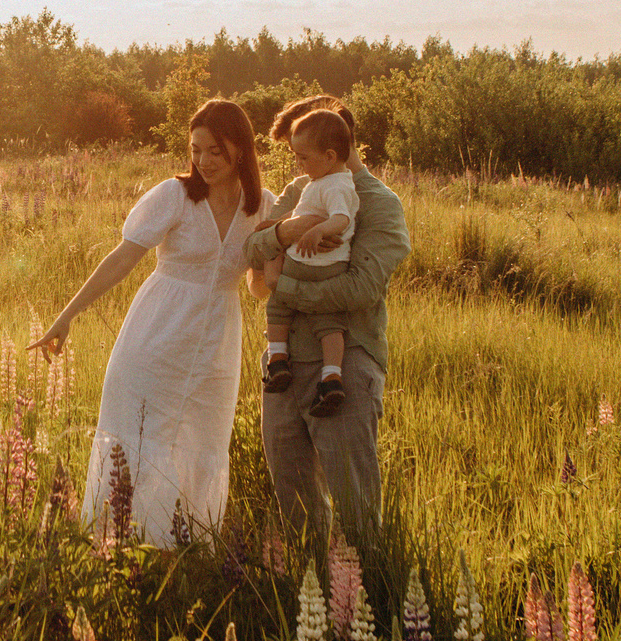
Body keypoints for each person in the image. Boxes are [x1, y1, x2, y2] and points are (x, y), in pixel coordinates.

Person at [35, 99, 269, 548]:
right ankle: (117, 544)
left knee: (201, 441)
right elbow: (122, 259)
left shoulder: (262, 207)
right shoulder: (175, 195)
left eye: (214, 151)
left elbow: (259, 288)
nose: (202, 161)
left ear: (240, 149)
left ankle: (183, 549)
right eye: (195, 150)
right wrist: (66, 316)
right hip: (156, 334)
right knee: (139, 438)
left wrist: (284, 247)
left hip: (217, 344)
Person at [244, 95, 409, 545]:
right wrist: (285, 232)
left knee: (355, 511)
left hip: (345, 363)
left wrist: (285, 286)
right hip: (283, 365)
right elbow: (253, 253)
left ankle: (367, 596)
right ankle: (307, 592)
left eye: (305, 150)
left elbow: (359, 290)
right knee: (294, 506)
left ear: (335, 142)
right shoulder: (302, 190)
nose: (299, 163)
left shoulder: (380, 204)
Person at [258, 107, 360, 413]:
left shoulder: (338, 184)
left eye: (303, 157)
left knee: (278, 305)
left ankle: (278, 359)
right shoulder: (318, 183)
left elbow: (341, 218)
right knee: (328, 323)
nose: (298, 164)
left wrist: (317, 231)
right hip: (320, 266)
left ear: (329, 156)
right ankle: (332, 378)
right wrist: (278, 226)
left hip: (317, 264)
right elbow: (301, 213)